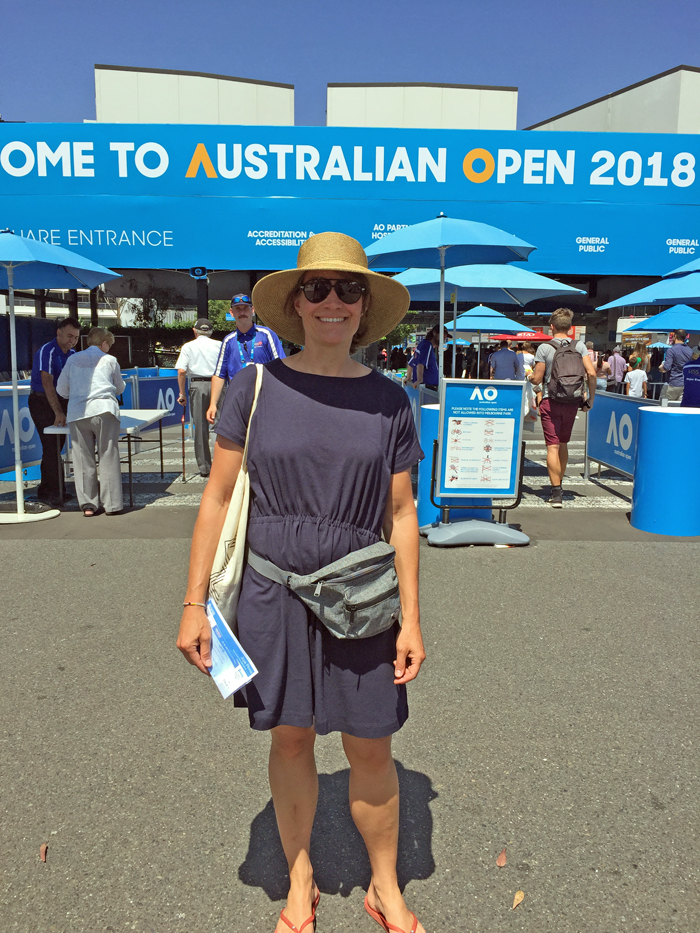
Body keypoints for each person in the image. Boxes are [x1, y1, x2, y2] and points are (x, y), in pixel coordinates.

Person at [176, 232, 426, 933]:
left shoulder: (390, 402)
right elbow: (217, 499)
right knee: (290, 739)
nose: (332, 302)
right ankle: (300, 876)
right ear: (295, 303)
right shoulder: (254, 387)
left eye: (349, 290)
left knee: (371, 744)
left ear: (365, 307)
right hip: (273, 590)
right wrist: (194, 603)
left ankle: (384, 885)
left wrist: (411, 616)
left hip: (361, 596)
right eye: (317, 288)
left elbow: (402, 514)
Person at [530, 308, 597, 508]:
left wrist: (529, 376)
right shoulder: (580, 346)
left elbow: (537, 378)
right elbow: (592, 373)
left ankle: (556, 493)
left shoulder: (544, 348)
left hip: (550, 401)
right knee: (563, 443)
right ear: (570, 327)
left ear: (551, 326)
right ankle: (560, 484)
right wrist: (590, 399)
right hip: (572, 401)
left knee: (552, 446)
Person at [56, 328, 125, 516]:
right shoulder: (110, 360)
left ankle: (88, 505)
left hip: (78, 411)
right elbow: (119, 388)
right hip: (105, 409)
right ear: (104, 343)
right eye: (109, 344)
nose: (109, 348)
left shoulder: (72, 359)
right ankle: (112, 505)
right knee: (108, 455)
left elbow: (61, 388)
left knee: (82, 457)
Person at [206, 294, 285, 424]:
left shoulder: (266, 335)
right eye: (238, 309)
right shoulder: (228, 341)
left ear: (252, 310)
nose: (242, 312)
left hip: (264, 398)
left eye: (245, 308)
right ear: (231, 312)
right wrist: (213, 404)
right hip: (238, 400)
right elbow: (219, 374)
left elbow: (280, 367)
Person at [28, 316, 81, 506]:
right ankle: (53, 493)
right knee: (51, 446)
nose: (72, 341)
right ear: (58, 333)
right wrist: (58, 412)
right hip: (42, 402)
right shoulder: (47, 351)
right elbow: (47, 382)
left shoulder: (72, 354)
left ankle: (51, 489)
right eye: (69, 336)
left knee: (57, 446)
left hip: (61, 401)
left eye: (76, 337)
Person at [175, 318, 222, 477]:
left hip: (197, 385)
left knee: (200, 427)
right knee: (218, 425)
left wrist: (182, 394)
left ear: (194, 331)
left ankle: (205, 468)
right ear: (211, 331)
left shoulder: (188, 346)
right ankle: (221, 465)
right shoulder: (219, 345)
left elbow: (181, 371)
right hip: (218, 384)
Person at [659, 329, 693, 401]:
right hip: (685, 384)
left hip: (672, 383)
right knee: (679, 406)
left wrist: (661, 367)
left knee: (664, 405)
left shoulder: (671, 350)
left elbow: (667, 367)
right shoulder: (690, 350)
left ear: (675, 336)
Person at [413, 325, 444, 389]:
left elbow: (411, 362)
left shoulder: (422, 344)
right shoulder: (427, 345)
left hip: (428, 386)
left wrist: (409, 378)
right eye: (442, 336)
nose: (443, 339)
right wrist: (420, 380)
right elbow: (421, 363)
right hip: (429, 386)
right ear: (434, 333)